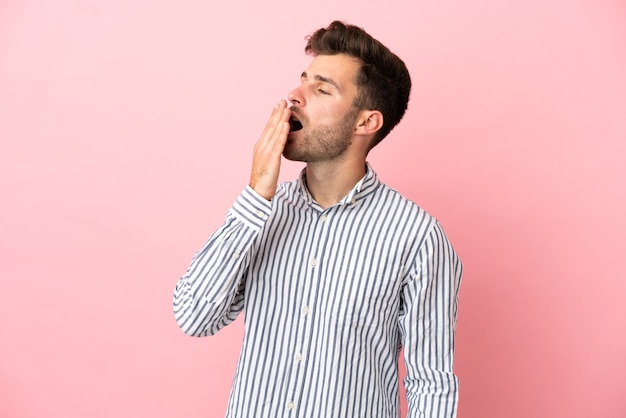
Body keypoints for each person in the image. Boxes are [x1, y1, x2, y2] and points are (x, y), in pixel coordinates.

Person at [173, 20, 462, 418]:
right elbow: (194, 316)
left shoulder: (416, 236)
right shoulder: (263, 213)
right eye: (303, 81)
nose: (294, 96)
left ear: (366, 122)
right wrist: (257, 191)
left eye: (322, 89)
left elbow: (431, 384)